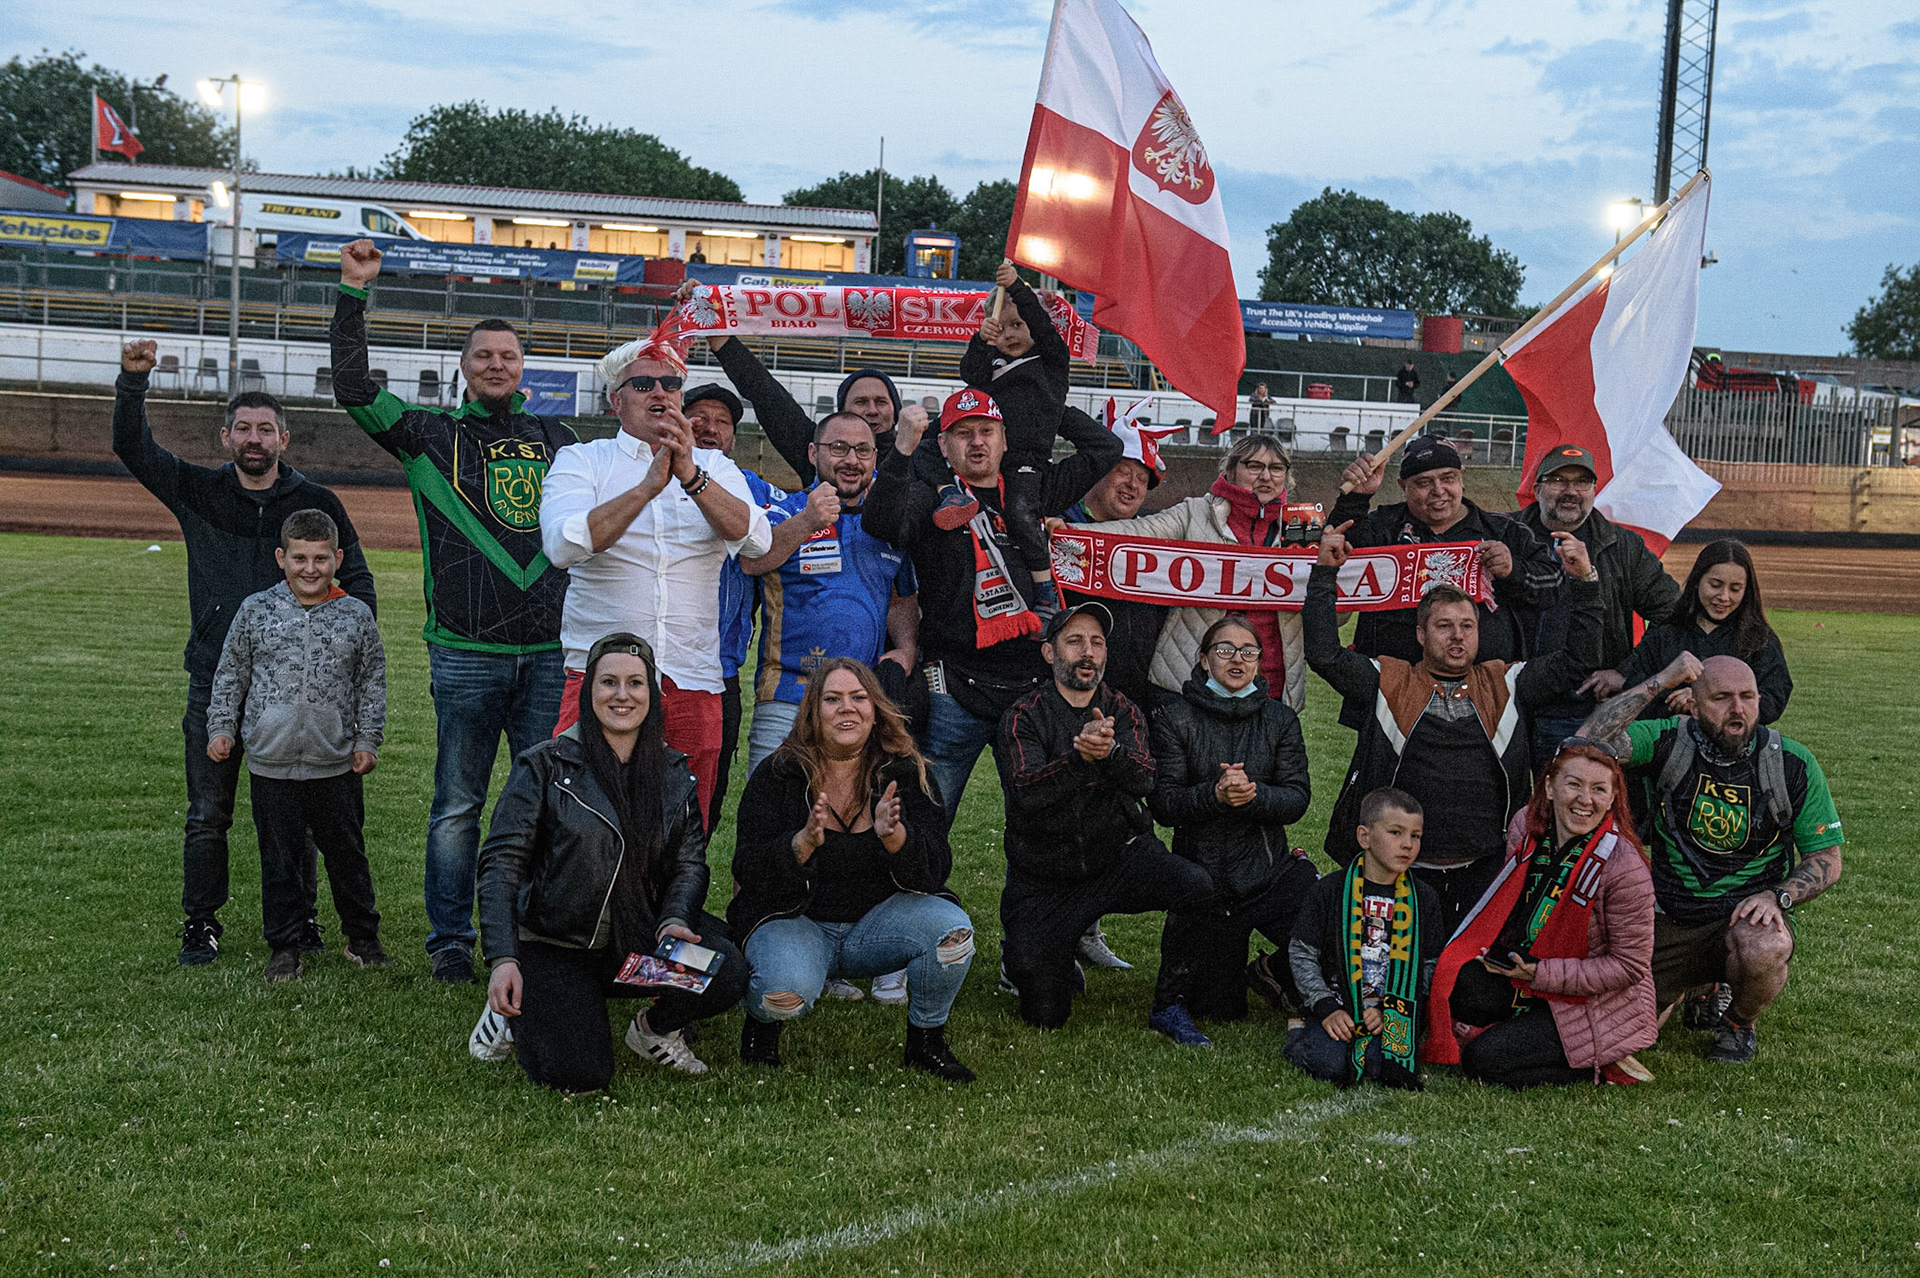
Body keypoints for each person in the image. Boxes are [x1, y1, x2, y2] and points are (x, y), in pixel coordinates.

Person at [331, 238, 574, 985]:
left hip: (550, 656)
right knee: (458, 807)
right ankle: (449, 943)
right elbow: (350, 386)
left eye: (508, 355)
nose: (497, 365)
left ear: (523, 366)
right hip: (465, 653)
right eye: (483, 356)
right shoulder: (427, 436)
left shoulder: (562, 440)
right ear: (464, 367)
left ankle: (532, 933)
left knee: (542, 806)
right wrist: (353, 293)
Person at [113, 338, 376, 967]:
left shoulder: (317, 504)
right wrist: (132, 383)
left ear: (286, 438)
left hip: (299, 694)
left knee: (304, 815)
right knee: (209, 812)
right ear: (225, 436)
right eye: (243, 428)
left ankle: (305, 920)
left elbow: (358, 585)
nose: (254, 438)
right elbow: (133, 449)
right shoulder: (199, 492)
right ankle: (200, 922)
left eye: (266, 428)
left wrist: (326, 641)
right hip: (215, 683)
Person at [472, 634, 749, 1090]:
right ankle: (515, 1010)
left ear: (652, 695)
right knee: (581, 1075)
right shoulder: (543, 766)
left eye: (636, 683)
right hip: (558, 944)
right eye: (609, 683)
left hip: (636, 947)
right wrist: (503, 958)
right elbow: (501, 866)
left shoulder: (673, 772)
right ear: (589, 692)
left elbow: (689, 865)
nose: (622, 695)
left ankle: (652, 1030)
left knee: (726, 968)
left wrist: (674, 920)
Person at [1304, 519, 1603, 935]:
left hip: (1485, 866)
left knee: (1468, 985)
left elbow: (1577, 661)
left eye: (1468, 626)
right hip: (1401, 867)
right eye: (1444, 626)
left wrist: (1585, 582)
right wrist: (1324, 575)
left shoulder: (1505, 681)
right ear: (1421, 634)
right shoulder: (1390, 679)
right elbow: (1324, 655)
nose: (1458, 636)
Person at [539, 334, 772, 822]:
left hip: (692, 678)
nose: (660, 393)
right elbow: (562, 546)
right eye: (643, 383)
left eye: (670, 383)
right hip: (601, 679)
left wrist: (691, 477)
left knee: (686, 828)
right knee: (585, 825)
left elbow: (756, 543)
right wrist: (646, 489)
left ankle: (673, 904)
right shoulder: (584, 460)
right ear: (615, 400)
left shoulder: (713, 466)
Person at [1573, 652, 1843, 1064]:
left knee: (1766, 946)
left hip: (1742, 916)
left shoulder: (1791, 763)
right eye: (1721, 698)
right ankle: (1696, 985)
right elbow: (1588, 743)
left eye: (1747, 697)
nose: (1738, 710)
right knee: (1622, 1037)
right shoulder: (1668, 739)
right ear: (1693, 705)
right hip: (1667, 916)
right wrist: (1659, 680)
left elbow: (1827, 857)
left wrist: (1777, 898)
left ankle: (1738, 1023)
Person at [863, 388, 1120, 820]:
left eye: (987, 431)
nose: (977, 442)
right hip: (955, 689)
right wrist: (907, 449)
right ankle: (919, 889)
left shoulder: (1032, 490)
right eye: (962, 434)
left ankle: (1034, 891)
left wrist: (1037, 402)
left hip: (1032, 689)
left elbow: (1105, 446)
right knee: (926, 817)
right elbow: (881, 522)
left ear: (1004, 438)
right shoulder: (934, 495)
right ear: (943, 445)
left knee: (1042, 817)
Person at [728, 660, 977, 1081]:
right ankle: (762, 1028)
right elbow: (746, 869)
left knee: (952, 934)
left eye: (859, 698)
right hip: (798, 922)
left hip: (876, 928)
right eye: (833, 699)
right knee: (780, 996)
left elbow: (935, 872)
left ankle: (926, 1040)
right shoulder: (779, 773)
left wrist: (896, 838)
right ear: (813, 710)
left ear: (875, 708)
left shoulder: (908, 772)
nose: (847, 708)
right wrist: (800, 844)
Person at [993, 604, 1213, 1030]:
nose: (1087, 652)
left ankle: (1171, 1003)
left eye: (1096, 642)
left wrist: (1109, 753)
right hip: (1045, 876)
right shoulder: (1023, 715)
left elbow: (1147, 779)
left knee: (1197, 887)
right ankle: (1051, 954)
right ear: (1049, 653)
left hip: (1118, 858)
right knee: (1045, 1014)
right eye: (1074, 642)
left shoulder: (1123, 709)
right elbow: (1026, 795)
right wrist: (1079, 757)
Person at [206, 510, 387, 982]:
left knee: (347, 853)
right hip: (272, 761)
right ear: (281, 558)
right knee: (281, 859)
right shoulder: (256, 610)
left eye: (321, 559)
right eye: (300, 558)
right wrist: (221, 728)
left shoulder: (355, 615)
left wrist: (367, 738)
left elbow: (371, 682)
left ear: (337, 559)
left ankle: (362, 938)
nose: (311, 568)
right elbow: (231, 675)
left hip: (335, 762)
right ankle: (285, 946)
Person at [1427, 744, 1658, 1088]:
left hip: (1593, 1001)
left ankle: (1604, 1065)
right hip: (1529, 975)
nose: (1585, 800)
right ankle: (1522, 1030)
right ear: (1550, 786)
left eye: (1599, 789)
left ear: (1612, 799)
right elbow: (1513, 903)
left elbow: (1628, 966)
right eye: (1574, 785)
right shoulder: (1526, 826)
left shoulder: (1625, 868)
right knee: (1454, 985)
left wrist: (1540, 973)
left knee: (1484, 1062)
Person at [1148, 616, 1316, 1043]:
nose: (1236, 659)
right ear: (1204, 660)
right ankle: (1181, 997)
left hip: (1267, 873)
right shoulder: (1174, 717)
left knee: (1325, 927)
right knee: (1220, 1009)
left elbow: (1297, 798)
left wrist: (1255, 795)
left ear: (1260, 663)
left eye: (1248, 651)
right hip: (1203, 879)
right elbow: (1164, 805)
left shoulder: (1280, 719)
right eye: (1224, 650)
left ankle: (1274, 972)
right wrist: (1215, 795)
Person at [740, 411, 918, 776]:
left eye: (863, 451)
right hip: (787, 696)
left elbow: (902, 596)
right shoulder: (783, 511)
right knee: (769, 813)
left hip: (860, 704)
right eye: (838, 448)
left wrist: (906, 647)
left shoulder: (887, 524)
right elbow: (751, 562)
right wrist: (808, 520)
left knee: (852, 819)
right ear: (812, 453)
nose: (852, 460)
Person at [1076, 434, 1309, 714]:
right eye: (1254, 466)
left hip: (1270, 687)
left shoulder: (1302, 528)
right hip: (1187, 684)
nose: (1266, 476)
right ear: (1231, 469)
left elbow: (1335, 614)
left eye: (1276, 468)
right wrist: (1073, 533)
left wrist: (1330, 575)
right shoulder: (1195, 513)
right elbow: (1138, 533)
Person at [1514, 444, 1682, 768]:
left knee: (1575, 805)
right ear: (1536, 489)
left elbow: (1673, 615)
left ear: (1595, 490)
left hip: (1583, 708)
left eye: (1581, 482)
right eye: (1558, 480)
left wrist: (1626, 672)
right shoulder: (1507, 536)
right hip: (1508, 700)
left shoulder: (1623, 547)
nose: (1570, 491)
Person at [1333, 434, 1562, 667]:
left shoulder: (1503, 531)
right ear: (1403, 486)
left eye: (1448, 478)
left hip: (1484, 685)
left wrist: (1514, 570)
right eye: (1423, 483)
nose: (1438, 490)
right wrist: (1355, 499)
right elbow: (1333, 559)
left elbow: (1553, 584)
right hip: (1392, 683)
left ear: (1461, 476)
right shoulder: (1382, 527)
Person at [1284, 788, 1441, 1090]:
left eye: (1416, 836)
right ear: (1364, 837)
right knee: (1329, 1064)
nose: (1407, 844)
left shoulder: (1424, 898)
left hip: (1392, 1010)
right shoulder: (1330, 891)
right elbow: (1302, 953)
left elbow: (1430, 965)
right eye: (1395, 832)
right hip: (1337, 1005)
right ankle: (1299, 1034)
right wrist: (1324, 1006)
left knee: (1383, 1065)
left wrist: (1390, 1010)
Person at [684, 382, 785, 831]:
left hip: (718, 672)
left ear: (733, 436)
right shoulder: (643, 476)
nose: (709, 428)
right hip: (645, 665)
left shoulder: (750, 488)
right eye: (699, 417)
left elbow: (769, 545)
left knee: (707, 793)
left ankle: (685, 899)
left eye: (722, 422)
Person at [1586, 539, 1793, 726]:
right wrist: (1673, 704)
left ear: (1747, 591)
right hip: (1664, 749)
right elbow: (1635, 693)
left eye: (1735, 589)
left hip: (1732, 752)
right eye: (1715, 585)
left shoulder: (1759, 639)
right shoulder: (1666, 632)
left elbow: (1773, 698)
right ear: (1697, 582)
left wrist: (1702, 701)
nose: (1724, 596)